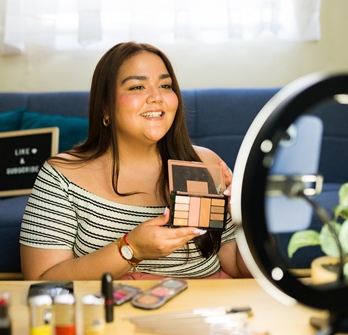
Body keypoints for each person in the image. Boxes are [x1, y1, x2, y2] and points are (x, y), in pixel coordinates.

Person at [20, 42, 251, 280]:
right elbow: (40, 281)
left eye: (165, 85)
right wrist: (131, 249)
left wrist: (248, 214)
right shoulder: (62, 174)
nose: (157, 97)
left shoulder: (204, 164)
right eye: (137, 86)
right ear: (105, 108)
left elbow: (236, 265)